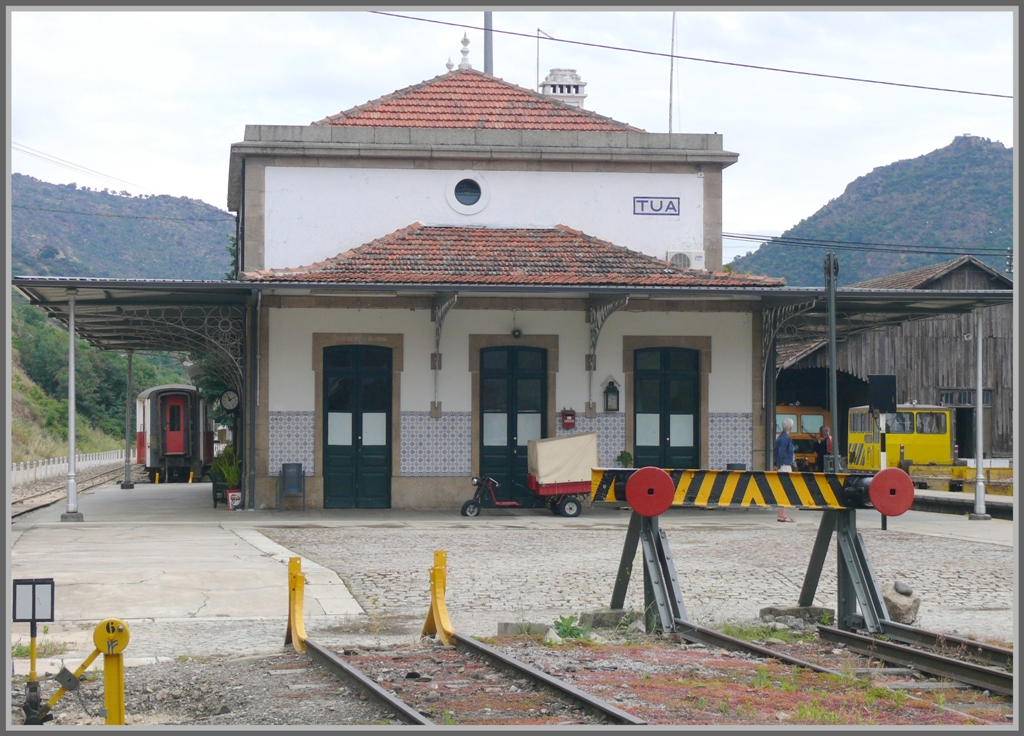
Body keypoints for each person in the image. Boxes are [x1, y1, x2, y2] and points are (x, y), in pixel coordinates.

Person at [773, 417, 796, 522]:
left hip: (781, 465)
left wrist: (775, 464)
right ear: (791, 427)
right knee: (785, 490)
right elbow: (781, 453)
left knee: (782, 490)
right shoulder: (785, 438)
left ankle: (781, 514)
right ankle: (783, 515)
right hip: (784, 466)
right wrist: (778, 464)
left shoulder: (780, 437)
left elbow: (776, 452)